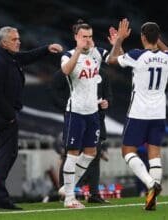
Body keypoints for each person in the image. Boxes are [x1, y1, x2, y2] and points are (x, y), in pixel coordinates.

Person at [0, 26, 62, 210]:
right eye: (14, 39)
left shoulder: (9, 57)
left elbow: (27, 56)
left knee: (8, 154)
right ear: (4, 43)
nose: (18, 41)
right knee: (6, 155)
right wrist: (10, 116)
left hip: (8, 115)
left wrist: (46, 49)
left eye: (18, 38)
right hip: (5, 117)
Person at [107, 19, 168, 210]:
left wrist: (119, 41)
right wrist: (158, 40)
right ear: (158, 37)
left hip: (139, 112)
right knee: (155, 154)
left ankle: (150, 184)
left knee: (127, 151)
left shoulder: (137, 55)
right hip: (158, 113)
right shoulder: (167, 58)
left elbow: (111, 60)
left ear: (142, 37)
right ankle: (151, 200)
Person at [59, 19, 113, 209]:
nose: (88, 40)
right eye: (84, 37)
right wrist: (79, 50)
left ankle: (69, 187)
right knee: (72, 154)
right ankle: (69, 199)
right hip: (76, 112)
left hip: (93, 112)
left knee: (91, 153)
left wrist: (118, 43)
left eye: (90, 37)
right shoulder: (68, 55)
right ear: (76, 37)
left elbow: (115, 59)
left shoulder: (97, 53)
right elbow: (66, 70)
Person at [50, 68, 112, 204]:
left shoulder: (102, 71)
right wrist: (68, 108)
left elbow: (108, 95)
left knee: (94, 155)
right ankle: (67, 193)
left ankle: (93, 193)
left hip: (96, 118)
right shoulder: (70, 67)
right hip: (76, 117)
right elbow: (53, 90)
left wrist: (107, 102)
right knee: (71, 154)